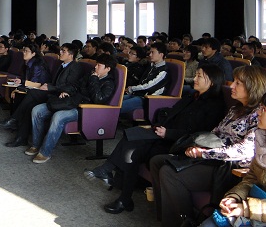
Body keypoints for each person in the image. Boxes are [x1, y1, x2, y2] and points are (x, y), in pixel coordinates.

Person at [84, 64, 226, 215]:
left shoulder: (215, 105)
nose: (195, 79)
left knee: (132, 149)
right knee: (130, 139)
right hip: (165, 135)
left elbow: (200, 134)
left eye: (199, 76)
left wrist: (168, 133)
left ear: (211, 82)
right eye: (196, 75)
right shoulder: (192, 96)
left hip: (180, 144)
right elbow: (172, 115)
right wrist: (159, 127)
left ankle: (114, 181)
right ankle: (121, 194)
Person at [150, 65, 266, 227]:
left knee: (169, 173)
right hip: (212, 156)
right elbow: (215, 132)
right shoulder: (235, 109)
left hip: (227, 166)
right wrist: (200, 146)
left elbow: (242, 151)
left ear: (251, 87)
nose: (231, 85)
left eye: (238, 83)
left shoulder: (257, 117)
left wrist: (204, 153)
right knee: (157, 161)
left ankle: (183, 222)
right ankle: (165, 216)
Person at [27, 54, 117, 164]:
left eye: (99, 65)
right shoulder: (90, 74)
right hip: (72, 101)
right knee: (37, 110)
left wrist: (94, 79)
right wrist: (67, 91)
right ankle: (35, 145)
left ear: (108, 69)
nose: (95, 67)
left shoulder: (109, 83)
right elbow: (76, 86)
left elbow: (98, 99)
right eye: (96, 64)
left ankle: (45, 152)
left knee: (58, 116)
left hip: (85, 110)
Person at [0, 43, 85, 147]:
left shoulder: (75, 67)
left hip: (60, 96)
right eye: (61, 50)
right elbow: (56, 82)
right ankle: (21, 138)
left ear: (71, 55)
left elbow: (69, 87)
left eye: (63, 51)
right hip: (53, 91)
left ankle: (14, 119)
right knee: (29, 106)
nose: (60, 52)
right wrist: (48, 85)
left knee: (32, 93)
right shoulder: (62, 65)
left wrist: (50, 87)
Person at [199, 93, 266, 227]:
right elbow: (251, 178)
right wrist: (234, 197)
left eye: (264, 109)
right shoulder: (262, 140)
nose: (258, 112)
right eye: (260, 107)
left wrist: (246, 208)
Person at [120, 42, 170, 114]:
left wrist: (132, 88)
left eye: (153, 52)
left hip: (148, 99)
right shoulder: (151, 66)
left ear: (161, 54)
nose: (150, 55)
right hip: (138, 94)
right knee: (114, 101)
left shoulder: (163, 71)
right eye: (150, 52)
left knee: (118, 106)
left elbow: (149, 87)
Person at [7, 43, 52, 115]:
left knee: (18, 94)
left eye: (26, 51)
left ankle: (14, 118)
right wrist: (21, 81)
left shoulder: (37, 65)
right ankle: (14, 118)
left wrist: (17, 89)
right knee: (17, 93)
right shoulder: (28, 63)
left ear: (33, 53)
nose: (24, 53)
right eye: (24, 51)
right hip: (33, 86)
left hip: (40, 88)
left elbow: (33, 82)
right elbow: (27, 79)